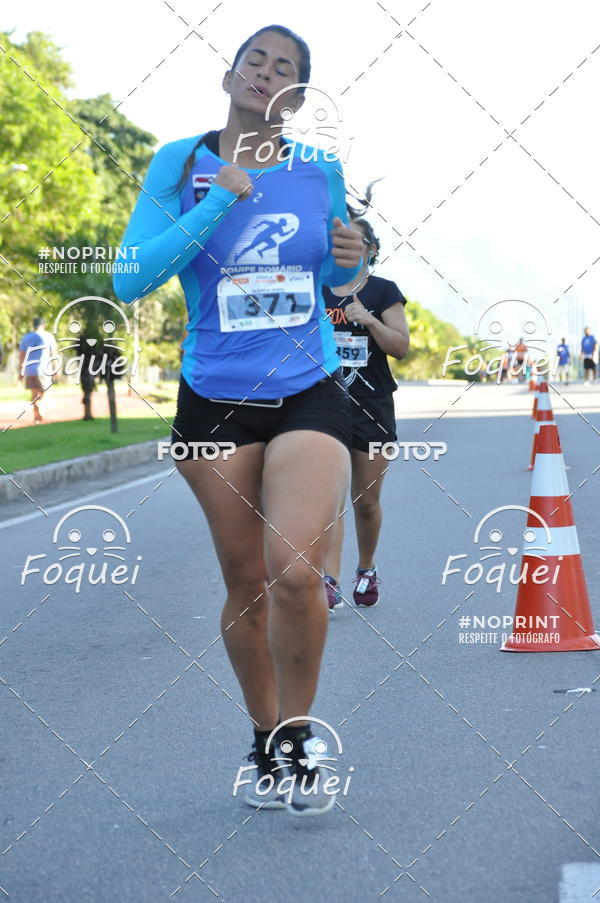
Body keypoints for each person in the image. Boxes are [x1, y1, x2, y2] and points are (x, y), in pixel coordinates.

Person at [114, 25, 363, 816]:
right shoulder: (178, 164)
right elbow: (130, 277)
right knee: (248, 582)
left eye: (285, 69)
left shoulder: (319, 169)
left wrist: (353, 259)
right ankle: (263, 736)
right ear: (230, 75)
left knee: (295, 572)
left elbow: (335, 273)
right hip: (214, 393)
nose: (266, 73)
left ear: (296, 95)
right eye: (255, 59)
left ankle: (300, 734)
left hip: (308, 384)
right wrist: (222, 193)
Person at [321, 190, 409, 610]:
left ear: (370, 249)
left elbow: (400, 347)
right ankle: (327, 579)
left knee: (365, 499)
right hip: (322, 403)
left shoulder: (383, 291)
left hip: (372, 404)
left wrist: (369, 320)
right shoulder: (315, 289)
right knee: (327, 496)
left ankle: (366, 568)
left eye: (353, 241)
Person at [18, 317, 57, 423]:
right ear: (43, 325)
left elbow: (21, 356)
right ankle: (39, 409)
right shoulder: (48, 336)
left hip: (30, 370)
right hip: (44, 369)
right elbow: (53, 354)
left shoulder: (26, 337)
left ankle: (36, 417)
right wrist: (56, 369)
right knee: (43, 393)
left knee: (34, 393)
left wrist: (21, 371)